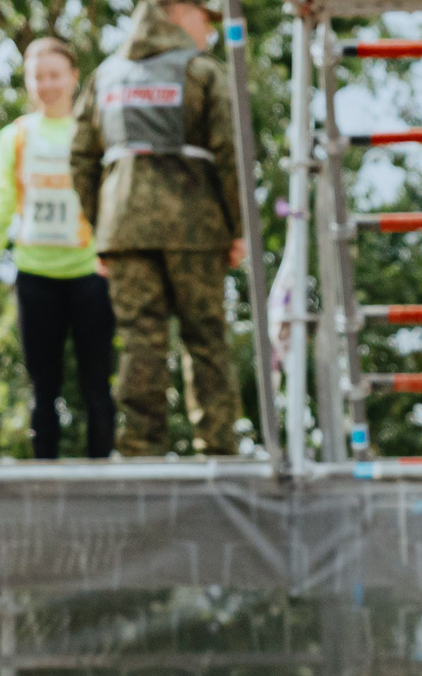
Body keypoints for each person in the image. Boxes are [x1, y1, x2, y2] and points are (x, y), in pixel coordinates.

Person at [69, 0, 246, 458]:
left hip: (123, 227)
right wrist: (238, 226)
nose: (207, 29)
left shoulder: (105, 75)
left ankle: (140, 452)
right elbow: (231, 152)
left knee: (140, 342)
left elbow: (81, 157)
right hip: (197, 226)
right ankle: (219, 450)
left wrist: (100, 221)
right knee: (205, 339)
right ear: (177, 12)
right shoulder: (203, 70)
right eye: (204, 17)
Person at [0, 38, 117, 460]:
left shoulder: (94, 132)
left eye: (55, 75)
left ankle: (103, 482)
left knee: (97, 386)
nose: (47, 84)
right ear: (27, 81)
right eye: (38, 76)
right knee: (42, 388)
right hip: (36, 275)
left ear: (73, 78)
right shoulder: (14, 137)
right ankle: (45, 484)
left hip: (90, 274)